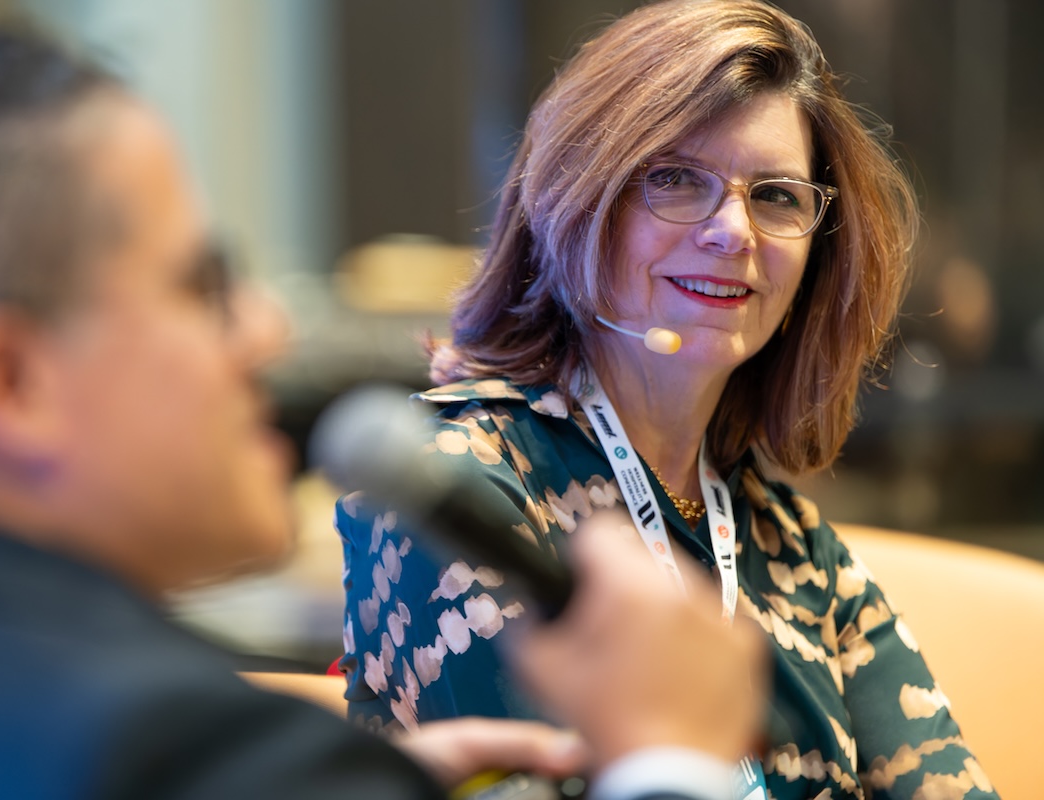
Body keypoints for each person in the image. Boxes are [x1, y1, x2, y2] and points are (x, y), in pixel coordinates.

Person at [0, 25, 769, 800]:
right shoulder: (183, 750)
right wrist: (670, 757)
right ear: (14, 386)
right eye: (204, 288)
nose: (266, 327)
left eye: (776, 198)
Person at [336, 1, 999, 799]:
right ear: (580, 196)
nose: (733, 230)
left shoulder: (795, 545)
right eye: (677, 180)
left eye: (778, 196)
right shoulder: (456, 491)